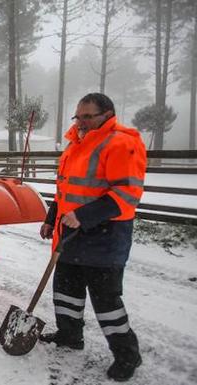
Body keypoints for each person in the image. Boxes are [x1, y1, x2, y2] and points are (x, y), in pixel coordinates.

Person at [38, 93, 147, 382]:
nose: (82, 122)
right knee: (65, 291)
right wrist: (52, 218)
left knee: (106, 302)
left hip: (104, 238)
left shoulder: (121, 143)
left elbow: (127, 194)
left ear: (107, 114)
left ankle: (127, 355)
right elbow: (65, 190)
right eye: (79, 116)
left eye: (89, 116)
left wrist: (84, 217)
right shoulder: (76, 144)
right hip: (70, 234)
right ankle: (69, 335)